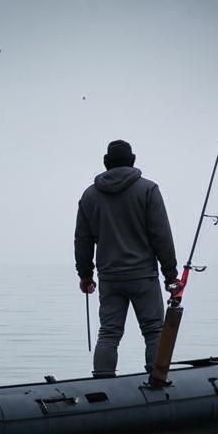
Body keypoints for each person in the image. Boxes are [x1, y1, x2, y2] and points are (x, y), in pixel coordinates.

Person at [74, 140, 179, 377]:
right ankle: (157, 384)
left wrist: (85, 275)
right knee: (154, 331)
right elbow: (161, 235)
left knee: (108, 333)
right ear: (132, 161)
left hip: (110, 278)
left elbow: (82, 239)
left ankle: (102, 386)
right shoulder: (148, 189)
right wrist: (170, 276)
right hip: (144, 276)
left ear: (106, 163)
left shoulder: (89, 195)